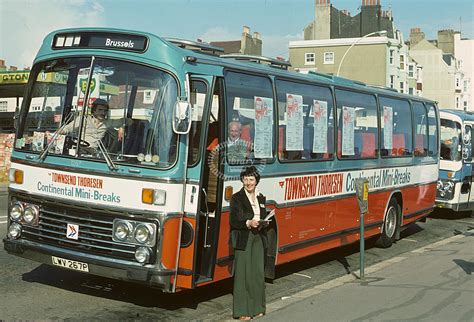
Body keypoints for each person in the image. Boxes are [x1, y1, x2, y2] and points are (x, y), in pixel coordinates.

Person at [229, 166, 267, 320]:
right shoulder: (236, 198)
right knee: (243, 275)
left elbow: (262, 214)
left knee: (257, 273)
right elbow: (234, 220)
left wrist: (265, 221)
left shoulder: (261, 197)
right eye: (245, 179)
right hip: (244, 238)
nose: (248, 182)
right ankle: (242, 311)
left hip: (258, 237)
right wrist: (248, 222)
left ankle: (258, 308)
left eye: (251, 179)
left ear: (256, 181)